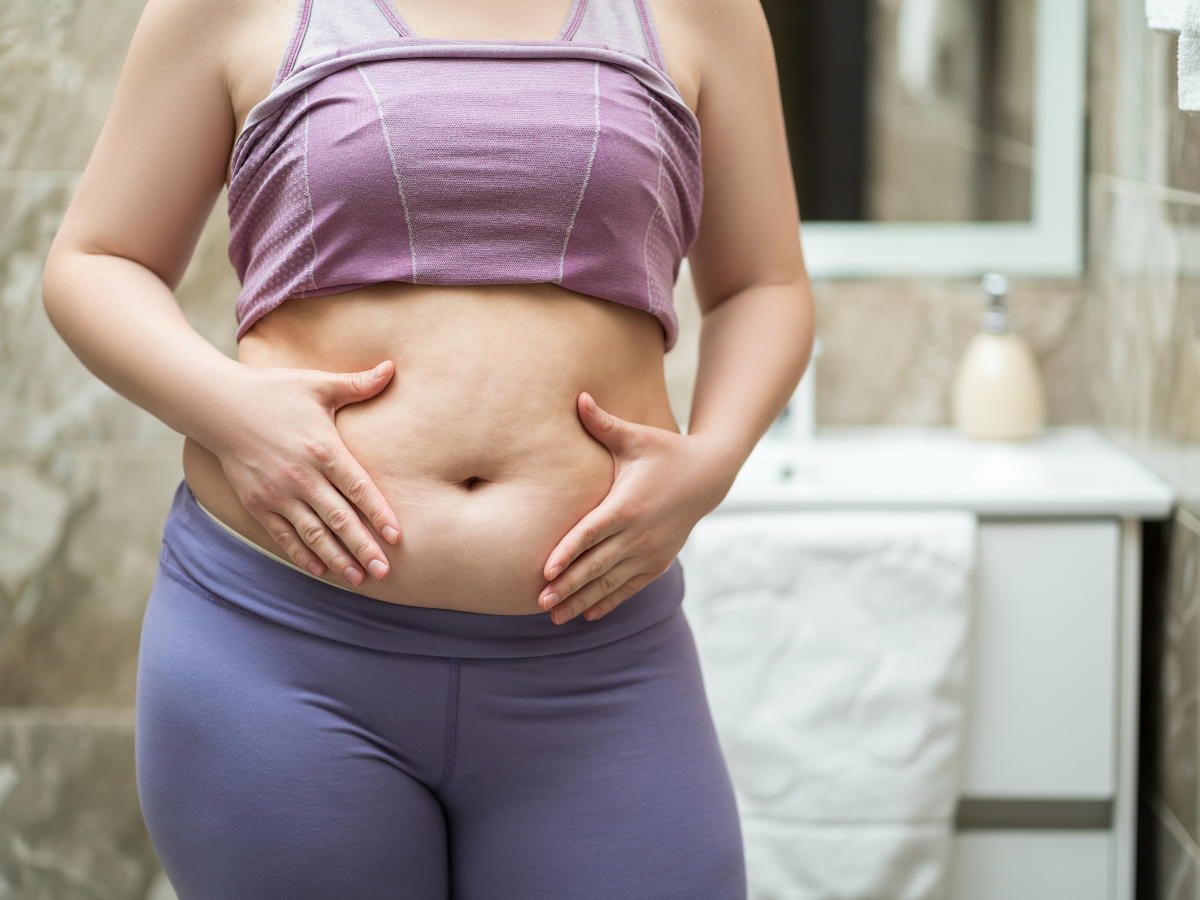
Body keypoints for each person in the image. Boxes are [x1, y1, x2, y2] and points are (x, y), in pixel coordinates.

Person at [43, 0, 814, 895]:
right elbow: (95, 259)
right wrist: (231, 410)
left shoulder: (699, 11)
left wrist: (715, 458)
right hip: (282, 655)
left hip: (596, 665)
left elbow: (765, 282)